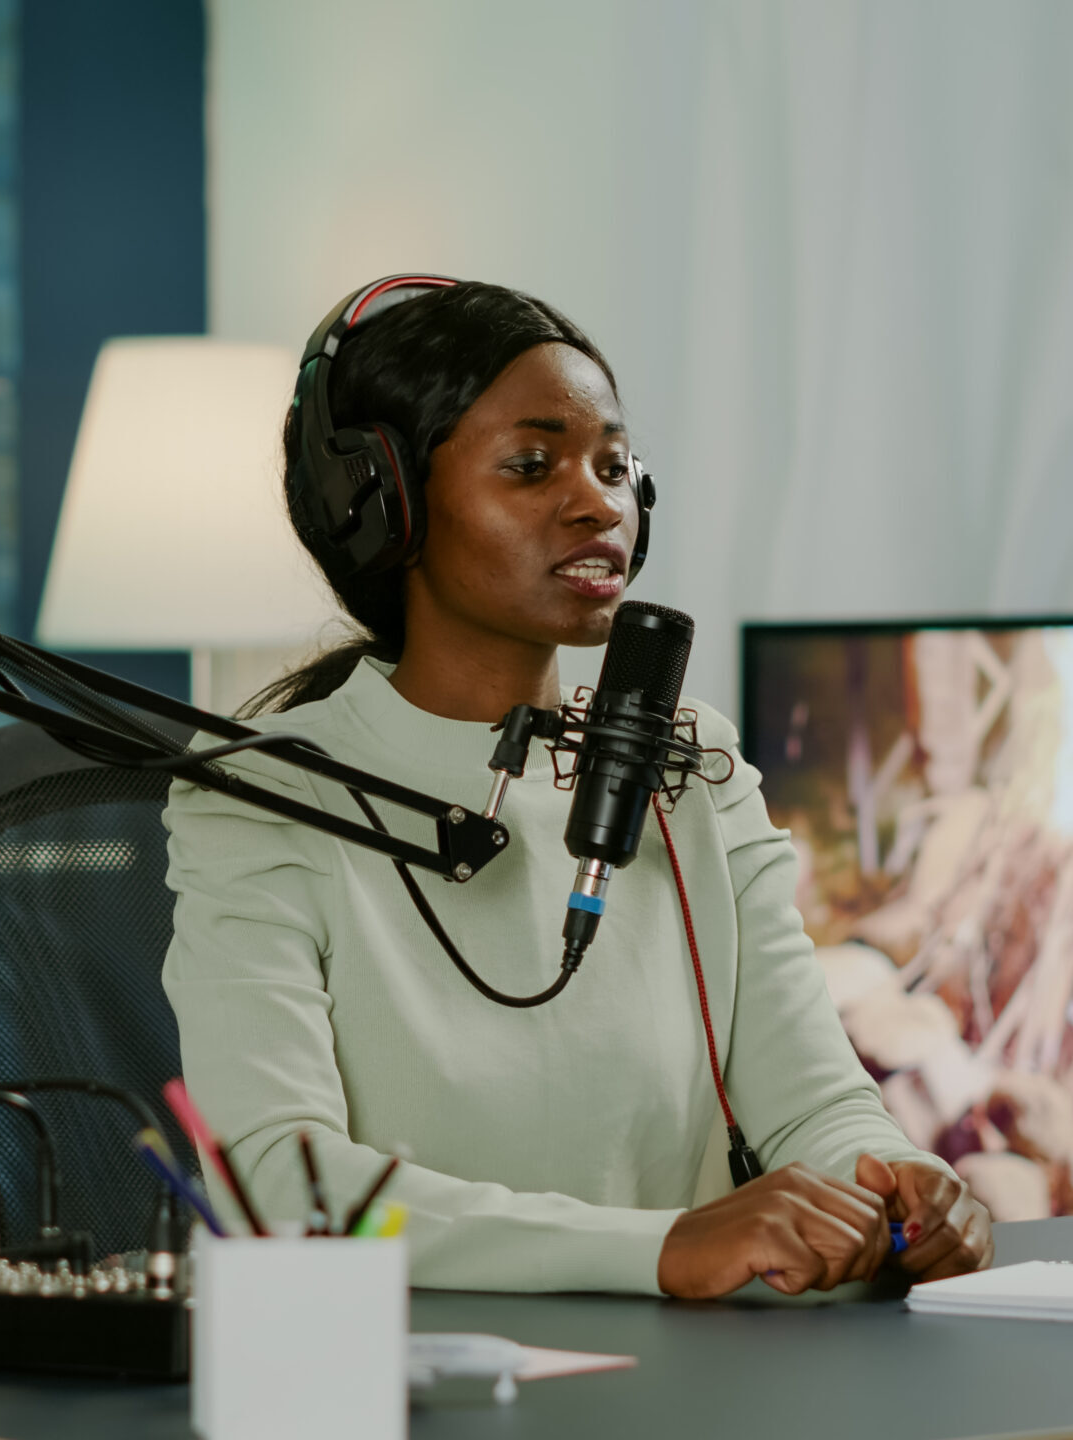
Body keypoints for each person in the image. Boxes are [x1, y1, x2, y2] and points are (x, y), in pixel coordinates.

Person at [161, 277, 993, 1298]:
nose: (601, 502)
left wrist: (904, 1178)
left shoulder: (693, 767)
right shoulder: (265, 795)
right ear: (383, 501)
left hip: (693, 1381)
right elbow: (281, 1189)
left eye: (614, 465)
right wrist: (660, 1249)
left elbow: (812, 1101)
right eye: (531, 464)